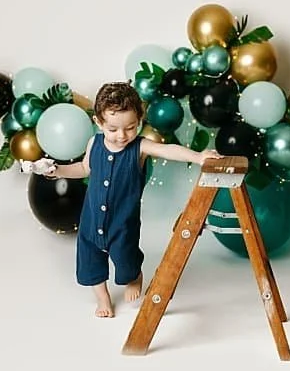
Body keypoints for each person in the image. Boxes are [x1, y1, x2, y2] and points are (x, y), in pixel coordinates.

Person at [46, 81, 210, 318]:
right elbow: (84, 168)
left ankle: (134, 276)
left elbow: (169, 150)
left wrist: (198, 157)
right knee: (90, 260)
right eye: (113, 129)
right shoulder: (95, 144)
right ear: (99, 123)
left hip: (122, 224)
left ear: (140, 121)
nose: (122, 136)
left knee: (126, 259)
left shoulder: (140, 148)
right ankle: (102, 298)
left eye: (130, 127)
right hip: (91, 221)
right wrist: (58, 171)